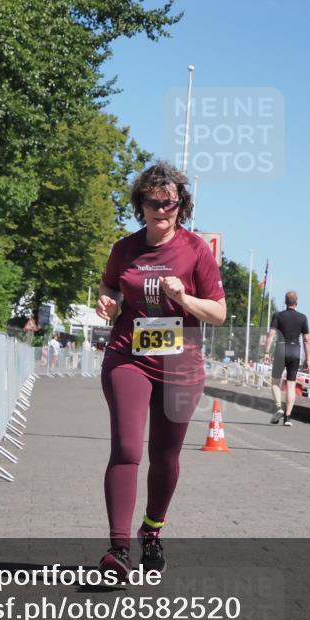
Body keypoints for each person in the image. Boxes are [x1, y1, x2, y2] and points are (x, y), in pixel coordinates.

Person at [95, 161, 226, 579]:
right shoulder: (126, 248)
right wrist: (107, 303)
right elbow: (110, 287)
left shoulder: (195, 251)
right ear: (141, 205)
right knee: (128, 449)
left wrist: (185, 299)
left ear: (181, 205)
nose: (161, 209)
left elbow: (220, 313)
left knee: (165, 457)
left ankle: (151, 530)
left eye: (169, 202)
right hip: (128, 357)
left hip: (180, 368)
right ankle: (118, 550)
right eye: (152, 202)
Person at [263, 290, 310, 426]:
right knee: (291, 385)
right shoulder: (303, 318)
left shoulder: (278, 316)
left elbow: (271, 335)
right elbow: (306, 339)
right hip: (295, 351)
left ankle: (278, 407)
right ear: (296, 302)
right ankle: (288, 418)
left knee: (275, 382)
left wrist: (266, 352)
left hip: (281, 349)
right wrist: (308, 359)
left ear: (285, 302)